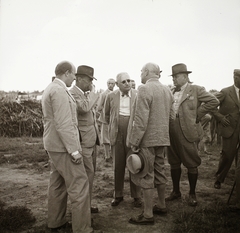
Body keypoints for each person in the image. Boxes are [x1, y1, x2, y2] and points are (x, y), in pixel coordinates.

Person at [42, 61, 93, 232]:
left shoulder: (51, 88)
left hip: (54, 145)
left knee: (57, 184)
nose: (74, 78)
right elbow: (64, 124)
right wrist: (74, 150)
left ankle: (56, 222)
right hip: (64, 147)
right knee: (79, 185)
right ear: (67, 73)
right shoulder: (60, 91)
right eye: (73, 74)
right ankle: (82, 228)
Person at [127, 62, 174, 225]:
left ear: (147, 72)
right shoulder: (167, 89)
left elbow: (140, 119)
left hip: (147, 139)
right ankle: (161, 205)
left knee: (146, 174)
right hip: (162, 138)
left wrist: (135, 141)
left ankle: (147, 214)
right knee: (160, 170)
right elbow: (171, 116)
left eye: (141, 71)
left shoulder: (145, 89)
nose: (140, 74)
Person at [166, 63, 219, 206]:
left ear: (185, 76)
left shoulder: (196, 89)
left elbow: (214, 101)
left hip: (188, 132)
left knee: (191, 163)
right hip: (171, 131)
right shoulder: (171, 91)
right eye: (173, 77)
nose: (174, 80)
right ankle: (176, 191)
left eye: (176, 77)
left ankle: (192, 194)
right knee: (174, 162)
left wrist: (198, 114)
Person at [104, 72, 142, 207]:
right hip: (117, 134)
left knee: (134, 163)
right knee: (118, 165)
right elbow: (106, 115)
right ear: (117, 84)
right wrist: (115, 127)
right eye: (124, 82)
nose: (127, 84)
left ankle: (137, 196)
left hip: (132, 135)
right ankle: (118, 194)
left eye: (129, 81)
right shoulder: (111, 96)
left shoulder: (138, 94)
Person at [70, 65, 100, 213]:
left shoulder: (84, 93)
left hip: (91, 140)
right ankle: (83, 210)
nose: (90, 83)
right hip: (84, 142)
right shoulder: (73, 93)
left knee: (91, 174)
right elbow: (84, 108)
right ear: (79, 79)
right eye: (89, 80)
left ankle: (87, 206)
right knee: (86, 175)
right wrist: (93, 94)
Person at [212, 69, 240, 190]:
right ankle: (219, 178)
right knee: (227, 155)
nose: (237, 79)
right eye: (236, 77)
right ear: (234, 78)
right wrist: (220, 118)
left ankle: (237, 181)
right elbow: (211, 104)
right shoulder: (225, 92)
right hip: (229, 129)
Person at [97, 78, 115, 162]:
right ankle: (107, 156)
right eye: (109, 83)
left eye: (112, 83)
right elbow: (99, 107)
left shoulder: (116, 93)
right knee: (105, 139)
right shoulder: (104, 94)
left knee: (113, 138)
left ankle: (112, 155)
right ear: (107, 84)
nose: (110, 85)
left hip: (114, 119)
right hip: (105, 119)